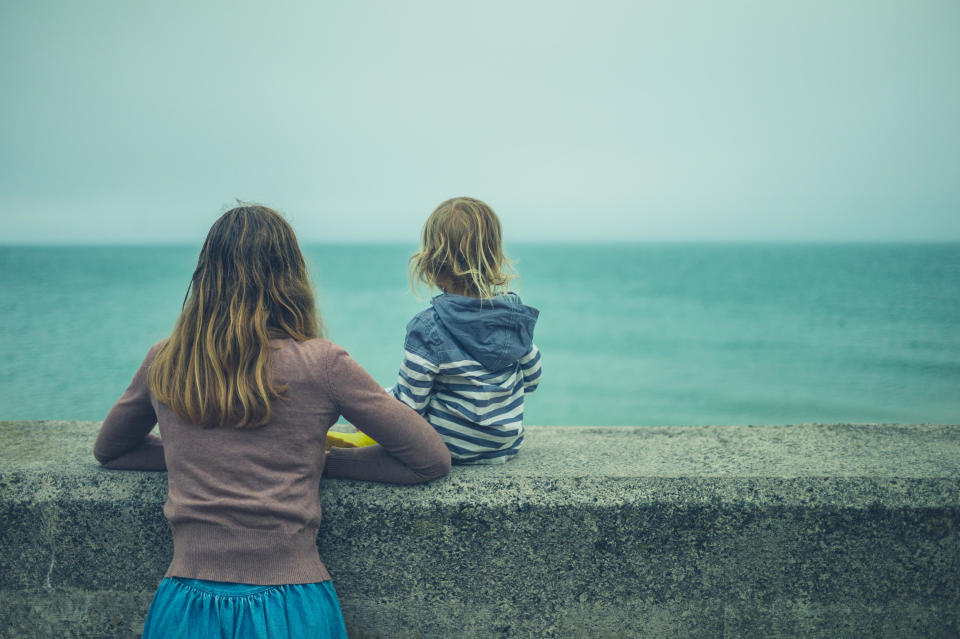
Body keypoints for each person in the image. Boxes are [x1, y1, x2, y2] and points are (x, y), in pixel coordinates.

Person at [93, 204, 451, 639]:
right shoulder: (323, 363)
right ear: (291, 277)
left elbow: (111, 450)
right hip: (291, 606)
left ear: (206, 276)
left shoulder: (166, 359)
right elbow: (429, 459)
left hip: (185, 609)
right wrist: (315, 460)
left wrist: (198, 456)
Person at [390, 197, 542, 464]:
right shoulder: (512, 318)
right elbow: (532, 380)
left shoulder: (428, 327)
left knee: (385, 399)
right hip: (505, 446)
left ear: (432, 265)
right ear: (493, 260)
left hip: (449, 448)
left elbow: (410, 407)